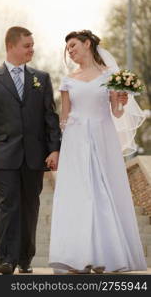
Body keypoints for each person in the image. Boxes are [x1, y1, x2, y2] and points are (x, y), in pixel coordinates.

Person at [49, 30, 147, 274]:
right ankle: (78, 257)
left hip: (103, 138)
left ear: (87, 44)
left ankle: (106, 257)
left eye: (73, 45)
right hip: (75, 140)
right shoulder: (68, 80)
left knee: (103, 193)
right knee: (81, 196)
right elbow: (64, 116)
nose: (70, 51)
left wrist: (122, 102)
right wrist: (60, 145)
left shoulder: (110, 76)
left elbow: (116, 113)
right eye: (67, 49)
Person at [0, 26, 61, 274]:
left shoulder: (41, 78)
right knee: (7, 206)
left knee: (30, 207)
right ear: (11, 46)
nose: (32, 49)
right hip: (4, 155)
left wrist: (55, 150)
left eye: (33, 45)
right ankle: (5, 259)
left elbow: (49, 117)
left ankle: (25, 259)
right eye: (27, 45)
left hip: (34, 156)